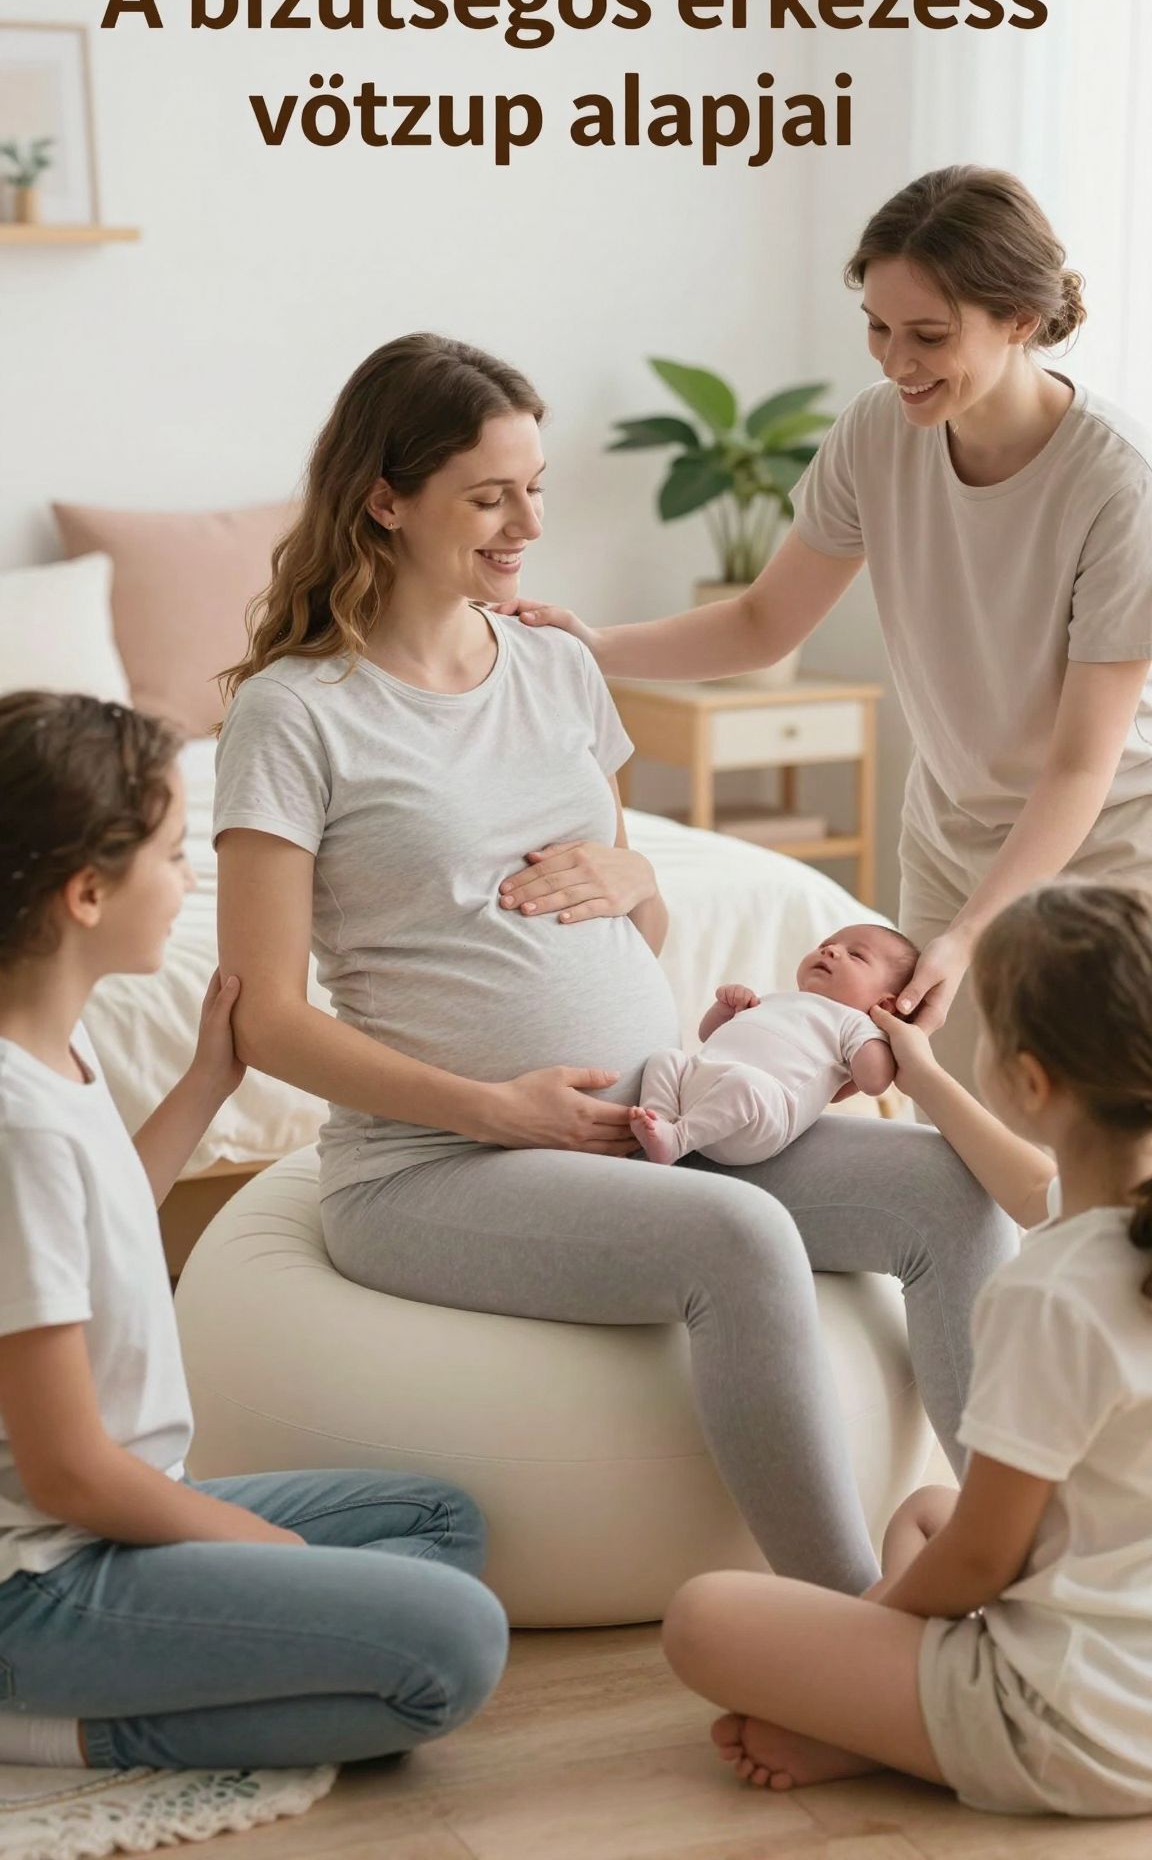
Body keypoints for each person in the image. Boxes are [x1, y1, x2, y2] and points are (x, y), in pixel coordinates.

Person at [213, 332, 1014, 1603]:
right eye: (490, 495)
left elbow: (634, 925)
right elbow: (264, 1018)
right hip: (437, 1163)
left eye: (536, 486)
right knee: (741, 1237)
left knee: (954, 1194)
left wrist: (639, 881)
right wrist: (494, 1108)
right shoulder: (295, 712)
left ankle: (1007, 1575)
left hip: (664, 1115)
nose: (530, 523)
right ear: (385, 499)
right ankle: (850, 1626)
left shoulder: (557, 663)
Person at [500, 167, 1152, 1090]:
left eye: (929, 336)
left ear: (1019, 319)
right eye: (879, 328)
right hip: (952, 832)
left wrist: (971, 933)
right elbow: (764, 622)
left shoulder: (1118, 485)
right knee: (952, 1117)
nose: (895, 363)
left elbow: (1082, 764)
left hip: (1102, 847)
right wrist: (597, 648)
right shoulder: (878, 433)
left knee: (1093, 1122)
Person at [0, 690, 507, 1772]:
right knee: (455, 1643)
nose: (193, 879)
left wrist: (206, 1081)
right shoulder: (17, 1124)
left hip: (116, 1520)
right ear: (87, 892)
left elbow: (105, 1222)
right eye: (174, 854)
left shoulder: (54, 1055)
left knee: (438, 1519)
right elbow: (67, 1474)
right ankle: (47, 1726)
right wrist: (267, 1550)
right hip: (40, 1581)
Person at [663, 881, 1152, 1819]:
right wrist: (919, 1075)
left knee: (704, 1618)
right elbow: (1036, 1187)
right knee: (928, 1506)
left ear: (1028, 1081)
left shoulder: (1050, 1294)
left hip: (1074, 1724)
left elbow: (979, 1563)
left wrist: (845, 1645)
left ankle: (877, 1725)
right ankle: (876, 1718)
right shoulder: (1120, 1225)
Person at [630, 922, 916, 1165]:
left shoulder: (854, 1024)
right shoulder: (777, 999)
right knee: (666, 1059)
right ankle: (660, 1120)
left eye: (856, 955)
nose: (831, 950)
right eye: (826, 944)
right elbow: (707, 1034)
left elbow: (874, 1082)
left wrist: (881, 1033)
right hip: (701, 1087)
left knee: (744, 1084)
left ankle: (678, 1140)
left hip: (760, 1119)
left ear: (884, 1004)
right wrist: (726, 1008)